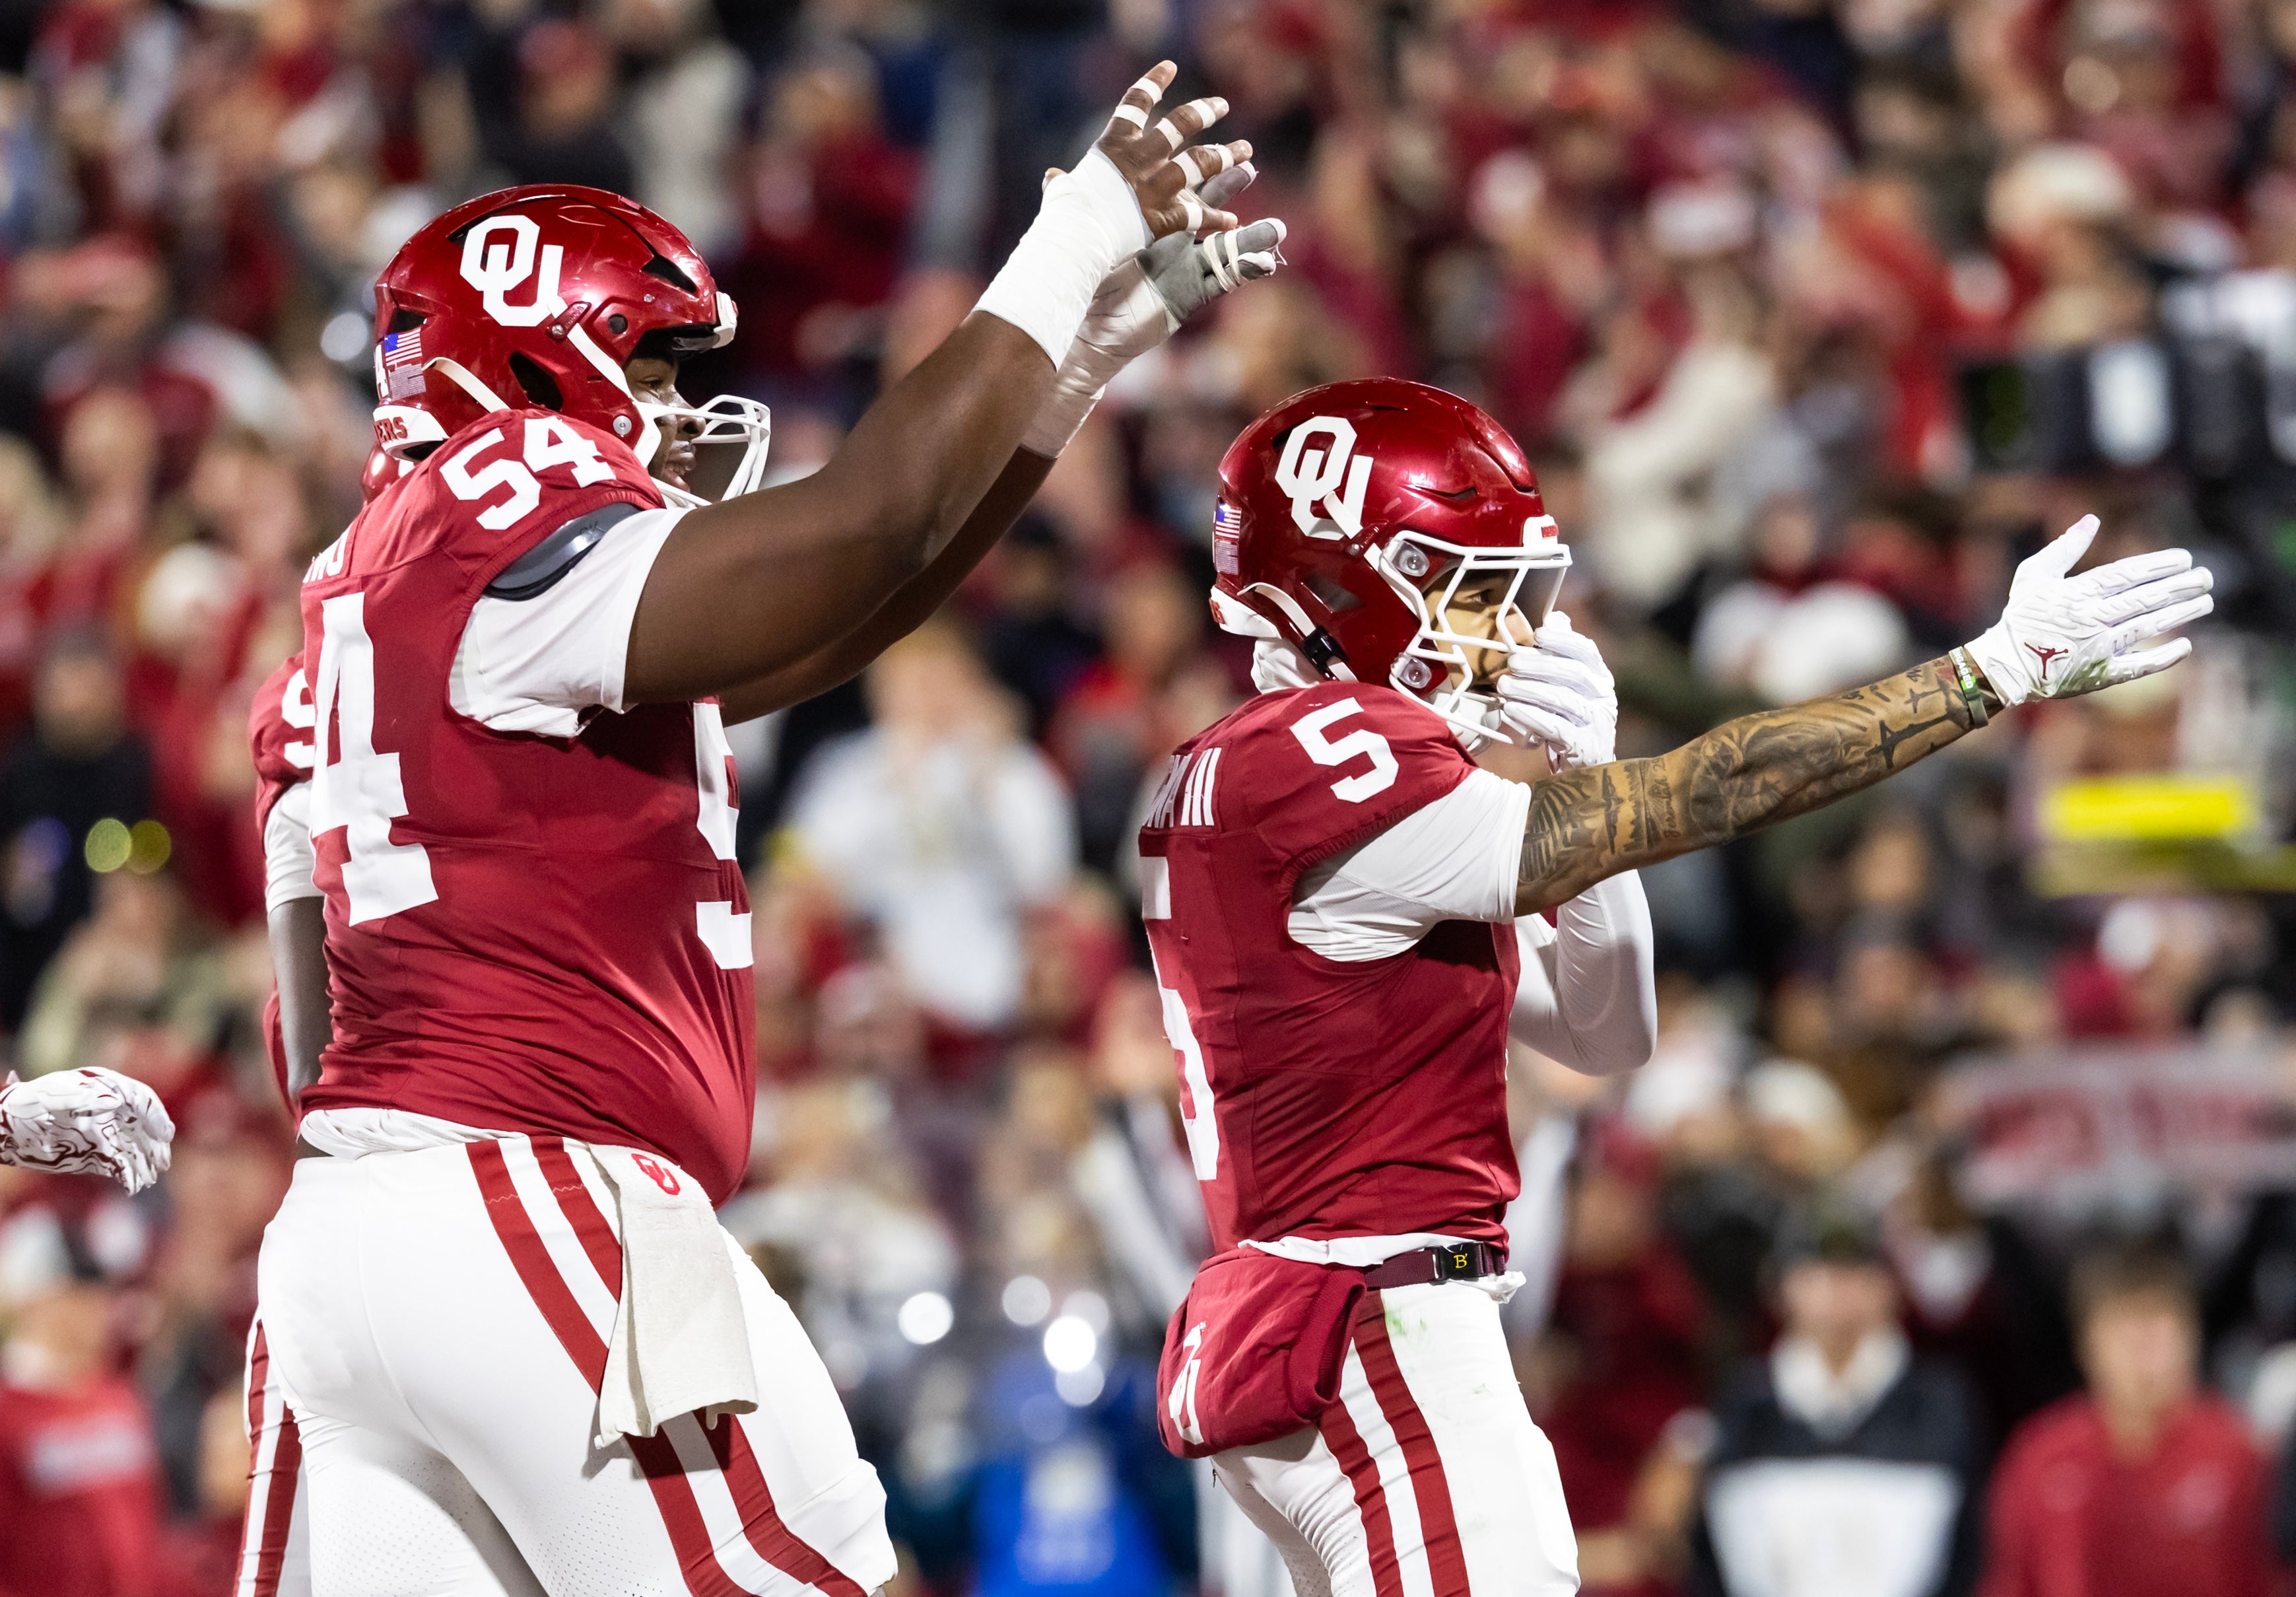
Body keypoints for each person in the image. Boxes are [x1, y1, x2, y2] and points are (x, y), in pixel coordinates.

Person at [246, 66, 1287, 1597]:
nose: (673, 412)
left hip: (353, 1235)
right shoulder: (500, 505)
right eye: (648, 369)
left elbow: (832, 616)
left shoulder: (359, 595)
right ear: (535, 372)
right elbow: (854, 527)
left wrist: (1061, 379)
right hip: (527, 1193)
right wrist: (1064, 240)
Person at [1141, 376, 2212, 1597]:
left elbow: (1604, 1030)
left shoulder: (1255, 772)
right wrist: (1980, 674)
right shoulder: (1319, 754)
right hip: (1377, 1323)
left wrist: (1586, 775)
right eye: (1455, 583)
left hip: (1317, 1318)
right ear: (1337, 578)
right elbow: (1708, 789)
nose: (1492, 629)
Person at [1688, 1200, 1984, 1597]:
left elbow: (1973, 1550)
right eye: (1817, 1271)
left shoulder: (1941, 1403)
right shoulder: (1744, 1404)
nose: (1837, 1289)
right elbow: (1709, 1559)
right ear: (1779, 1288)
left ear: (1891, 1288)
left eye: (1857, 1272)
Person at [1980, 1246, 2278, 1597]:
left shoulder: (2238, 1453)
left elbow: (2269, 1580)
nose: (2142, 1350)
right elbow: (2011, 1582)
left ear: (2192, 1337)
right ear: (2086, 1344)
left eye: (2158, 1326)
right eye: (2123, 1328)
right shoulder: (2039, 1455)